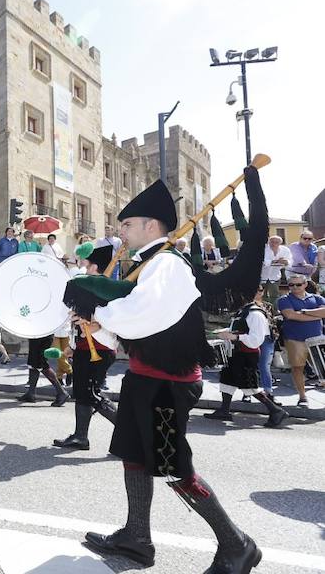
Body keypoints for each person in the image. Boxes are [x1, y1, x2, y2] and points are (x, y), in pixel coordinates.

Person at [80, 175, 262, 572]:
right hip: (145, 377)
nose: (120, 232)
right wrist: (100, 320)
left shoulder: (166, 263)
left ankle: (236, 545)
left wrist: (98, 310)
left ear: (151, 225)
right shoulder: (150, 264)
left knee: (173, 467)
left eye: (127, 225)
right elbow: (139, 318)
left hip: (166, 385)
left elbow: (145, 314)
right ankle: (137, 538)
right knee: (134, 456)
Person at [54, 243, 118, 450]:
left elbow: (114, 325)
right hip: (84, 349)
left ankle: (129, 430)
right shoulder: (86, 289)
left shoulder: (109, 292)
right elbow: (79, 324)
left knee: (91, 393)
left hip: (101, 350)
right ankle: (81, 436)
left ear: (94, 267)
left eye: (86, 263)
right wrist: (74, 344)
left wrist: (95, 327)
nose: (82, 266)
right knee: (82, 392)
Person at [205, 286, 289, 426]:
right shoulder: (243, 311)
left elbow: (256, 339)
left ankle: (276, 411)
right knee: (227, 380)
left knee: (249, 386)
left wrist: (235, 337)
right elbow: (238, 330)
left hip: (247, 355)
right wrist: (224, 332)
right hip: (236, 353)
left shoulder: (255, 314)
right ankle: (224, 411)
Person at [277, 273, 325, 407]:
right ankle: (302, 397)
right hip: (295, 339)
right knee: (298, 368)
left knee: (323, 368)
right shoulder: (284, 299)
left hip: (317, 339)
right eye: (291, 285)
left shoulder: (316, 298)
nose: (294, 287)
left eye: (298, 284)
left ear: (305, 284)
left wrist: (303, 312)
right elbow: (290, 315)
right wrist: (315, 315)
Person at [17, 333, 68, 406]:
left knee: (41, 364)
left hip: (42, 334)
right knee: (33, 363)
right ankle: (31, 393)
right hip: (36, 334)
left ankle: (62, 393)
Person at [260, 235, 291, 307]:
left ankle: (274, 310)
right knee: (262, 295)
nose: (274, 243)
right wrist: (275, 261)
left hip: (275, 276)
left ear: (280, 243)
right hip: (262, 276)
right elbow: (261, 261)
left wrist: (285, 261)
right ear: (269, 242)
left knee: (275, 295)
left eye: (276, 242)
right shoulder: (263, 249)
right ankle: (263, 310)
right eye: (272, 242)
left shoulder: (285, 250)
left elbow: (290, 261)